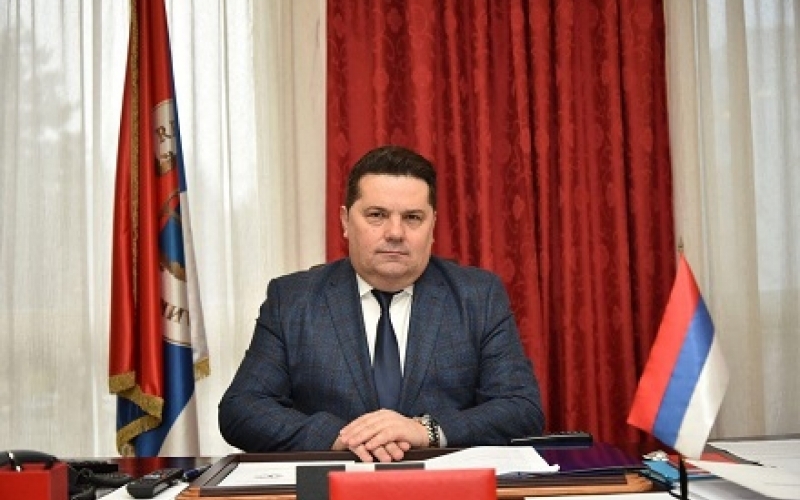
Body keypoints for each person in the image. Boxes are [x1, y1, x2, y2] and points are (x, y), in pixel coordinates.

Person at [218, 145, 544, 462]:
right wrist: (342, 437)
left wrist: (425, 430)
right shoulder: (293, 300)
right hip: (333, 485)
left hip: (443, 485)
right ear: (345, 221)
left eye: (413, 217)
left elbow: (521, 407)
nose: (395, 232)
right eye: (377, 215)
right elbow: (242, 409)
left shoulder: (478, 296)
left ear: (433, 226)